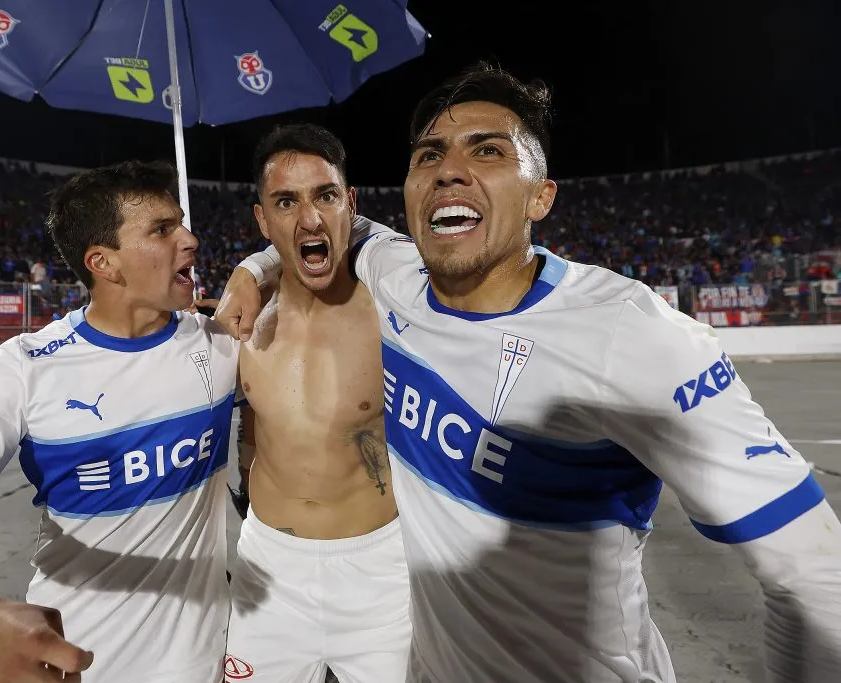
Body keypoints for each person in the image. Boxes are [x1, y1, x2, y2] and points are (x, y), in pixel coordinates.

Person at [215, 63, 841, 683]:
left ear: (542, 195)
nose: (449, 170)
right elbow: (328, 231)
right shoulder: (396, 277)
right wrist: (253, 267)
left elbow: (816, 577)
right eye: (428, 156)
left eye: (488, 151)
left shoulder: (632, 335)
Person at [0, 160, 240, 683]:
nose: (191, 239)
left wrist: (256, 271)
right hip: (75, 665)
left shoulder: (219, 346)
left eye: (181, 222)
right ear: (103, 263)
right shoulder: (20, 371)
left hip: (210, 664)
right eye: (162, 229)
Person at [225, 124, 411, 682]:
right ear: (262, 219)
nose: (309, 218)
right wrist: (251, 271)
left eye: (325, 196)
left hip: (379, 571)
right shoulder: (239, 320)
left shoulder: (392, 305)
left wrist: (251, 264)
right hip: (268, 570)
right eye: (286, 201)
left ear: (349, 204)